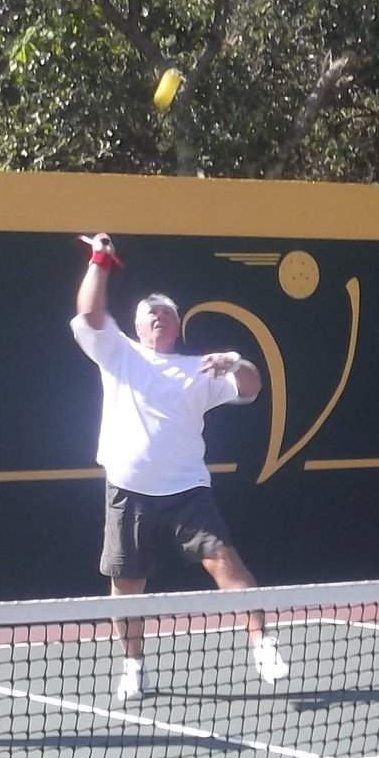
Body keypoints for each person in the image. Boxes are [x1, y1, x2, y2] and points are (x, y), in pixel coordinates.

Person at [70, 232, 289, 701]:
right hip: (128, 491)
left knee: (227, 565)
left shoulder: (199, 370)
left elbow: (251, 387)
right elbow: (90, 313)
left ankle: (262, 643)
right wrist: (100, 259)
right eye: (151, 312)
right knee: (126, 586)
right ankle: (132, 667)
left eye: (166, 312)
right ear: (136, 325)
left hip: (189, 494)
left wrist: (235, 359)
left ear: (176, 325)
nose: (158, 316)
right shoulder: (118, 354)